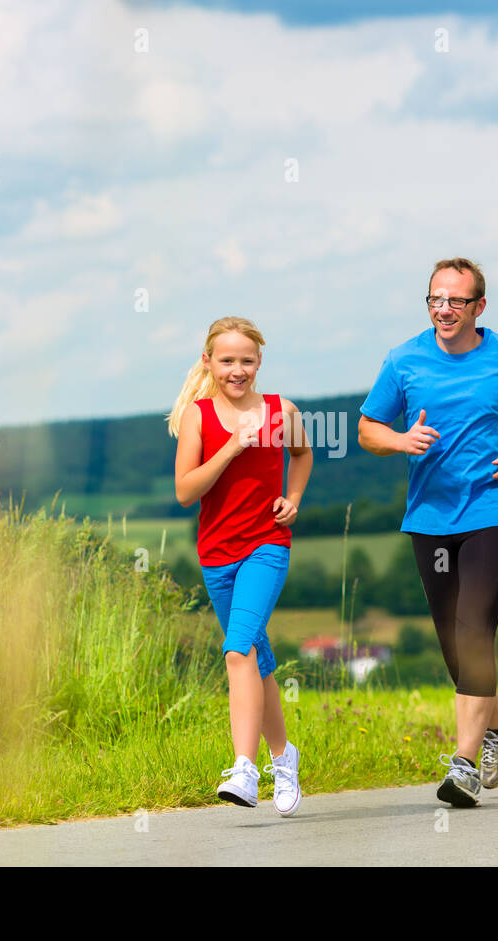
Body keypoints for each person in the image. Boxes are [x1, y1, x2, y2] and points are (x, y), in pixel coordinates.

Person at [358, 257, 498, 808]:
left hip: (494, 511)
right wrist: (400, 440)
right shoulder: (403, 359)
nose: (444, 310)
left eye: (456, 301)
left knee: (473, 625)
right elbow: (366, 429)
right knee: (453, 638)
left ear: (480, 306)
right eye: (435, 299)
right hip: (430, 518)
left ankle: (465, 763)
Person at [168, 317, 313, 816]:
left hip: (267, 545)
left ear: (259, 363)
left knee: (235, 651)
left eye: (247, 361)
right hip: (217, 555)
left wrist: (292, 498)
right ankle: (284, 757)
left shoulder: (281, 410)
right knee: (256, 658)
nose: (237, 370)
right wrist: (232, 446)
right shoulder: (198, 416)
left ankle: (245, 769)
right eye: (226, 360)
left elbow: (302, 453)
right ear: (209, 362)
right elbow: (186, 491)